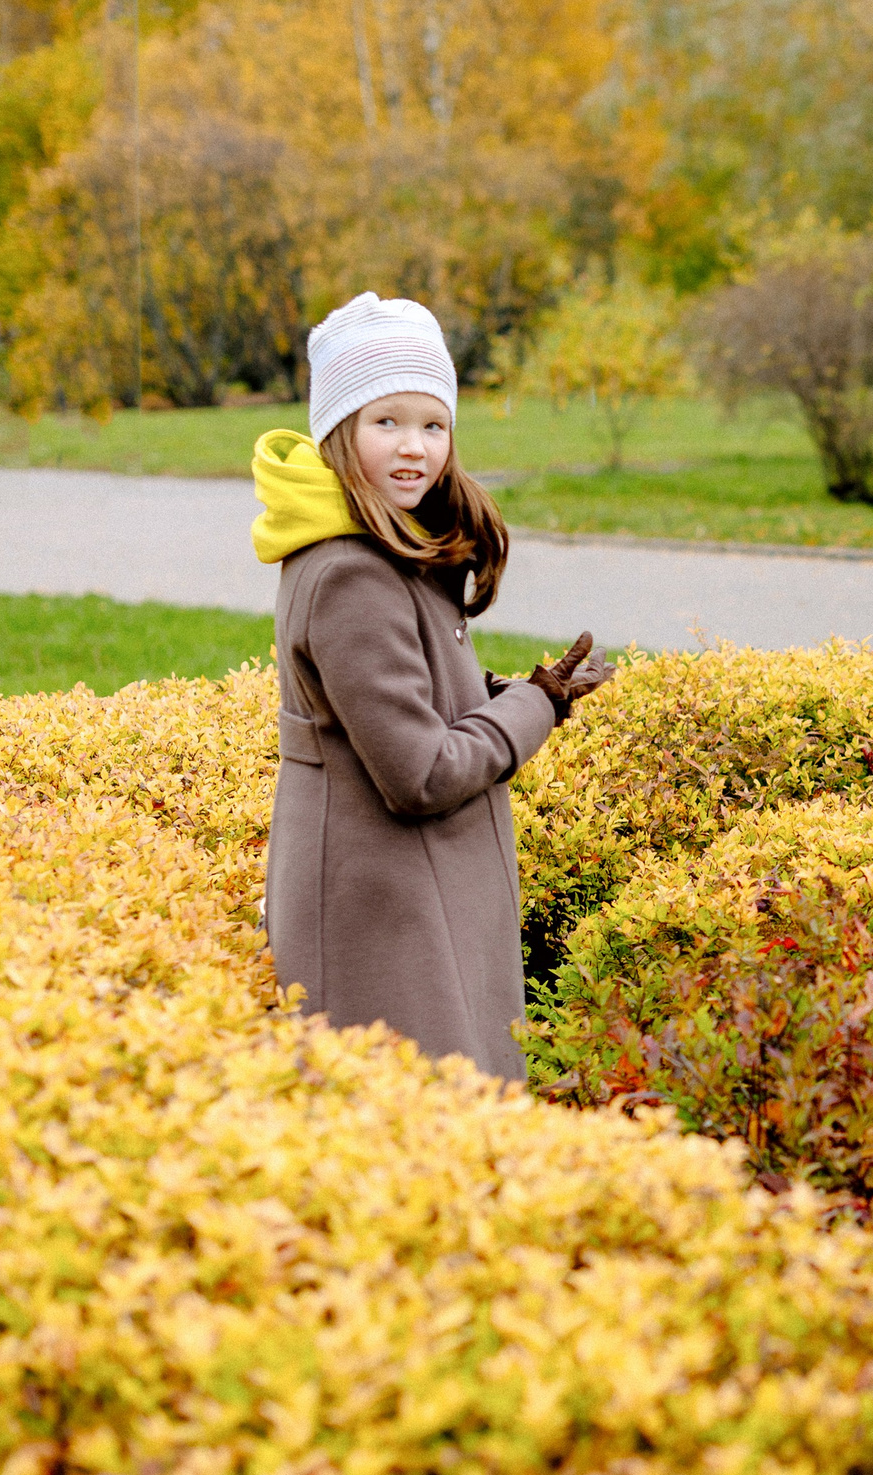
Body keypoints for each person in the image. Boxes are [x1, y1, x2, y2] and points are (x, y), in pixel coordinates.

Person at [252, 292, 614, 1080]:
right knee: (418, 1130)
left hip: (412, 894)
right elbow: (418, 772)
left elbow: (407, 695)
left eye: (433, 424)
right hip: (385, 912)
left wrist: (501, 689)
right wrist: (534, 703)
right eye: (387, 422)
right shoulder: (351, 571)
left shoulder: (390, 542)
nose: (413, 447)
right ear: (339, 431)